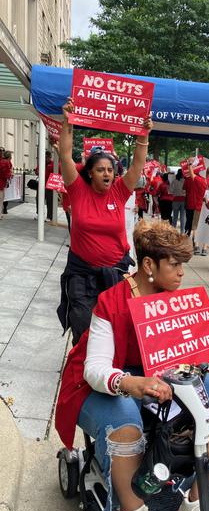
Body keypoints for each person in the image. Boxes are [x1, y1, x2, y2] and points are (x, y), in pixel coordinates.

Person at [55, 219, 209, 511]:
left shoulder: (175, 300)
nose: (183, 272)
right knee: (125, 410)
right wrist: (131, 382)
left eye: (183, 264)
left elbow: (186, 360)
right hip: (100, 388)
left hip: (158, 384)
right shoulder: (112, 301)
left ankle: (199, 501)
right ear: (148, 265)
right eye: (175, 264)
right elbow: (94, 369)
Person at [56, 97, 153, 345]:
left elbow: (137, 165)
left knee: (114, 332)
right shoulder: (77, 189)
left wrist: (143, 135)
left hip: (116, 274)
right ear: (90, 172)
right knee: (84, 331)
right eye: (101, 169)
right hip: (81, 275)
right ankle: (80, 377)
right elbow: (65, 156)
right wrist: (68, 121)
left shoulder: (119, 192)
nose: (107, 173)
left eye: (110, 170)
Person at [183, 158, 207, 246]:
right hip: (198, 206)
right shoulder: (203, 181)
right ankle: (194, 243)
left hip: (189, 204)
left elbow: (184, 190)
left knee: (188, 223)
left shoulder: (190, 179)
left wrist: (189, 164)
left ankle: (186, 239)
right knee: (195, 225)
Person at [195, 166, 209, 256]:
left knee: (197, 225)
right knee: (208, 226)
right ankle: (204, 248)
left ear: (206, 173)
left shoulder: (202, 181)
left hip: (199, 206)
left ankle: (196, 246)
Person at [170, 168, 186, 233]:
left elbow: (170, 191)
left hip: (175, 200)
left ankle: (173, 231)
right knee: (183, 217)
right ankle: (182, 232)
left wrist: (175, 192)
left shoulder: (174, 181)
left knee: (175, 217)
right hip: (184, 200)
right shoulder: (185, 181)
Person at [0, 149, 12, 219]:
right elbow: (6, 174)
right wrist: (10, 175)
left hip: (1, 181)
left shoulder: (1, 161)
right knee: (1, 199)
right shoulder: (6, 163)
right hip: (1, 182)